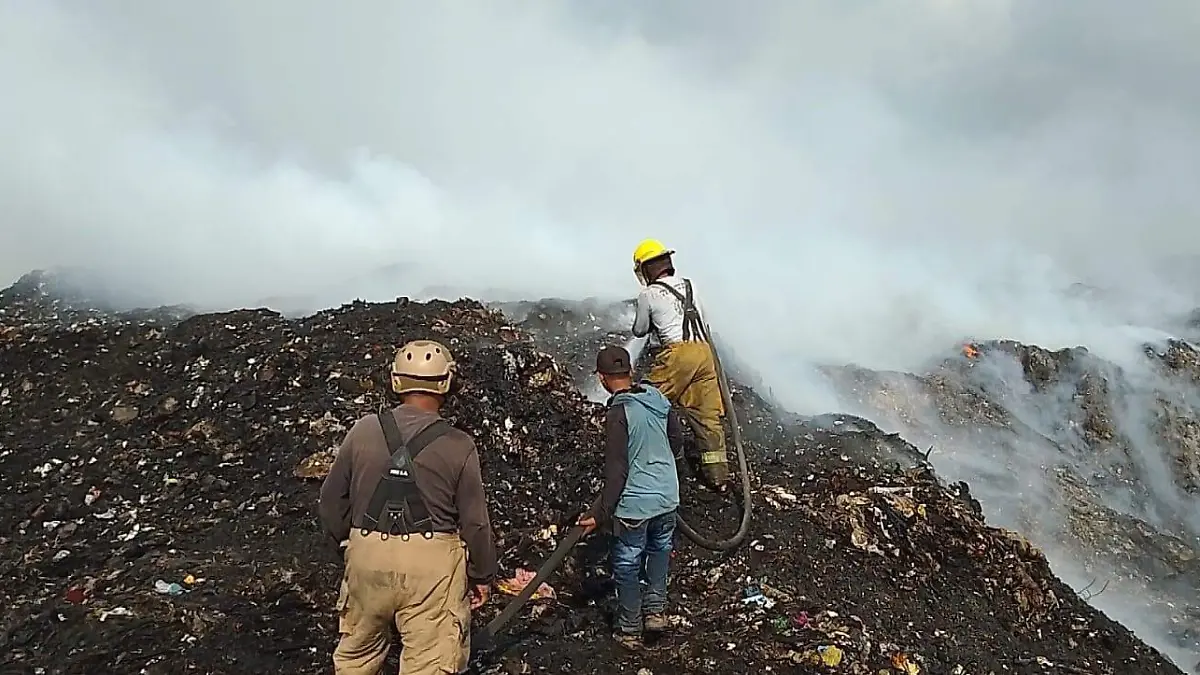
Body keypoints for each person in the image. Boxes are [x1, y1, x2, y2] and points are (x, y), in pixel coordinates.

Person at [318, 339, 497, 675]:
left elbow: (330, 501)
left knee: (355, 660)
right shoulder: (459, 445)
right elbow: (475, 523)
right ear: (446, 382)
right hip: (432, 569)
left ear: (396, 380)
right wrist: (481, 575)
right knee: (430, 663)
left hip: (367, 556)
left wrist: (350, 545)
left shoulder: (362, 430)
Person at [577, 345, 684, 649]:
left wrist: (598, 514)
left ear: (601, 378)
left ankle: (629, 628)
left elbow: (617, 473)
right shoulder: (657, 398)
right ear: (631, 371)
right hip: (667, 496)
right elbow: (676, 439)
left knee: (627, 562)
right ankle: (656, 613)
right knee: (660, 550)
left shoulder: (618, 412)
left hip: (636, 503)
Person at [629, 238, 730, 489]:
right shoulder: (689, 285)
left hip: (677, 354)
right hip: (704, 352)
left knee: (645, 402)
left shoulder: (648, 294)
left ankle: (639, 461)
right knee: (707, 417)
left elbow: (639, 330)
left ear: (645, 269)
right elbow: (704, 318)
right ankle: (718, 478)